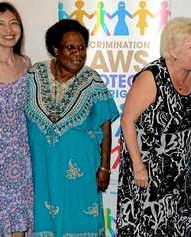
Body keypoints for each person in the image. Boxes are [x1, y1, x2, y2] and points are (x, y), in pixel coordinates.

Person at [24, 19, 118, 236]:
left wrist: (105, 167)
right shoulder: (34, 75)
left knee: (80, 220)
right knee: (43, 219)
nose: (79, 53)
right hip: (42, 170)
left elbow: (105, 125)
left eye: (82, 47)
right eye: (70, 48)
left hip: (81, 171)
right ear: (56, 50)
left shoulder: (92, 80)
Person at [116, 17, 191, 236]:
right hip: (146, 172)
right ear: (173, 51)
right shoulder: (151, 77)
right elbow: (127, 120)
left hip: (179, 175)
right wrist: (138, 166)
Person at [0, 2, 33, 236]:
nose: (9, 30)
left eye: (14, 23)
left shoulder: (26, 63)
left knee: (19, 222)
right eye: (0, 25)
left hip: (21, 155)